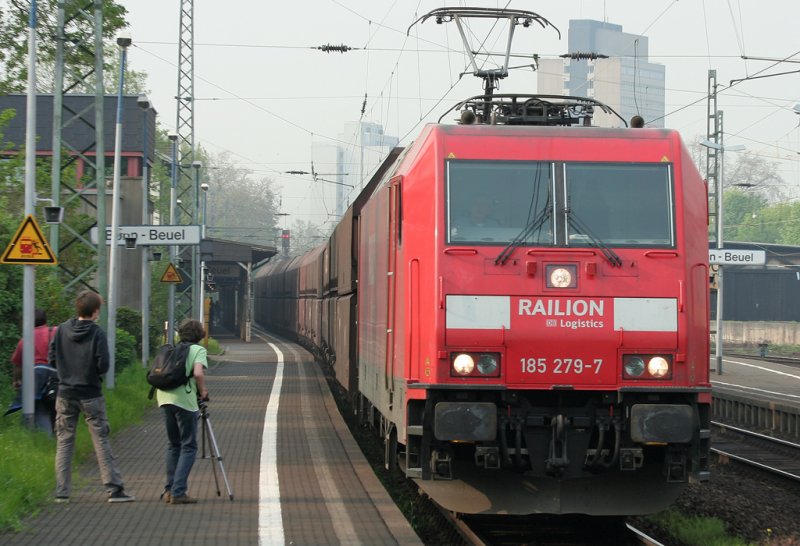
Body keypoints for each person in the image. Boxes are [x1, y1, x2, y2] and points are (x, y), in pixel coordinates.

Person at [48, 290, 134, 503]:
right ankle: (114, 489)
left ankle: (62, 491)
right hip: (91, 394)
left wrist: (65, 373)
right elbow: (103, 364)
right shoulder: (97, 333)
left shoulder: (60, 330)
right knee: (101, 440)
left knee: (64, 441)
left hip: (65, 393)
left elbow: (51, 358)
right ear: (95, 311)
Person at [157, 318, 209, 505]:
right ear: (199, 335)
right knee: (189, 446)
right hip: (185, 402)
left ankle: (169, 490)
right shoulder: (198, 350)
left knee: (173, 445)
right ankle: (179, 492)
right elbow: (197, 373)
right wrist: (202, 391)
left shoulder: (171, 349)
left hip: (164, 399)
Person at [9, 309, 58, 436]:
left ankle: (46, 443)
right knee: (57, 409)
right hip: (57, 377)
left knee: (41, 410)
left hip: (36, 379)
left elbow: (18, 365)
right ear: (45, 320)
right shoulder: (55, 332)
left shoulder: (25, 339)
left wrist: (17, 381)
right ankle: (60, 440)